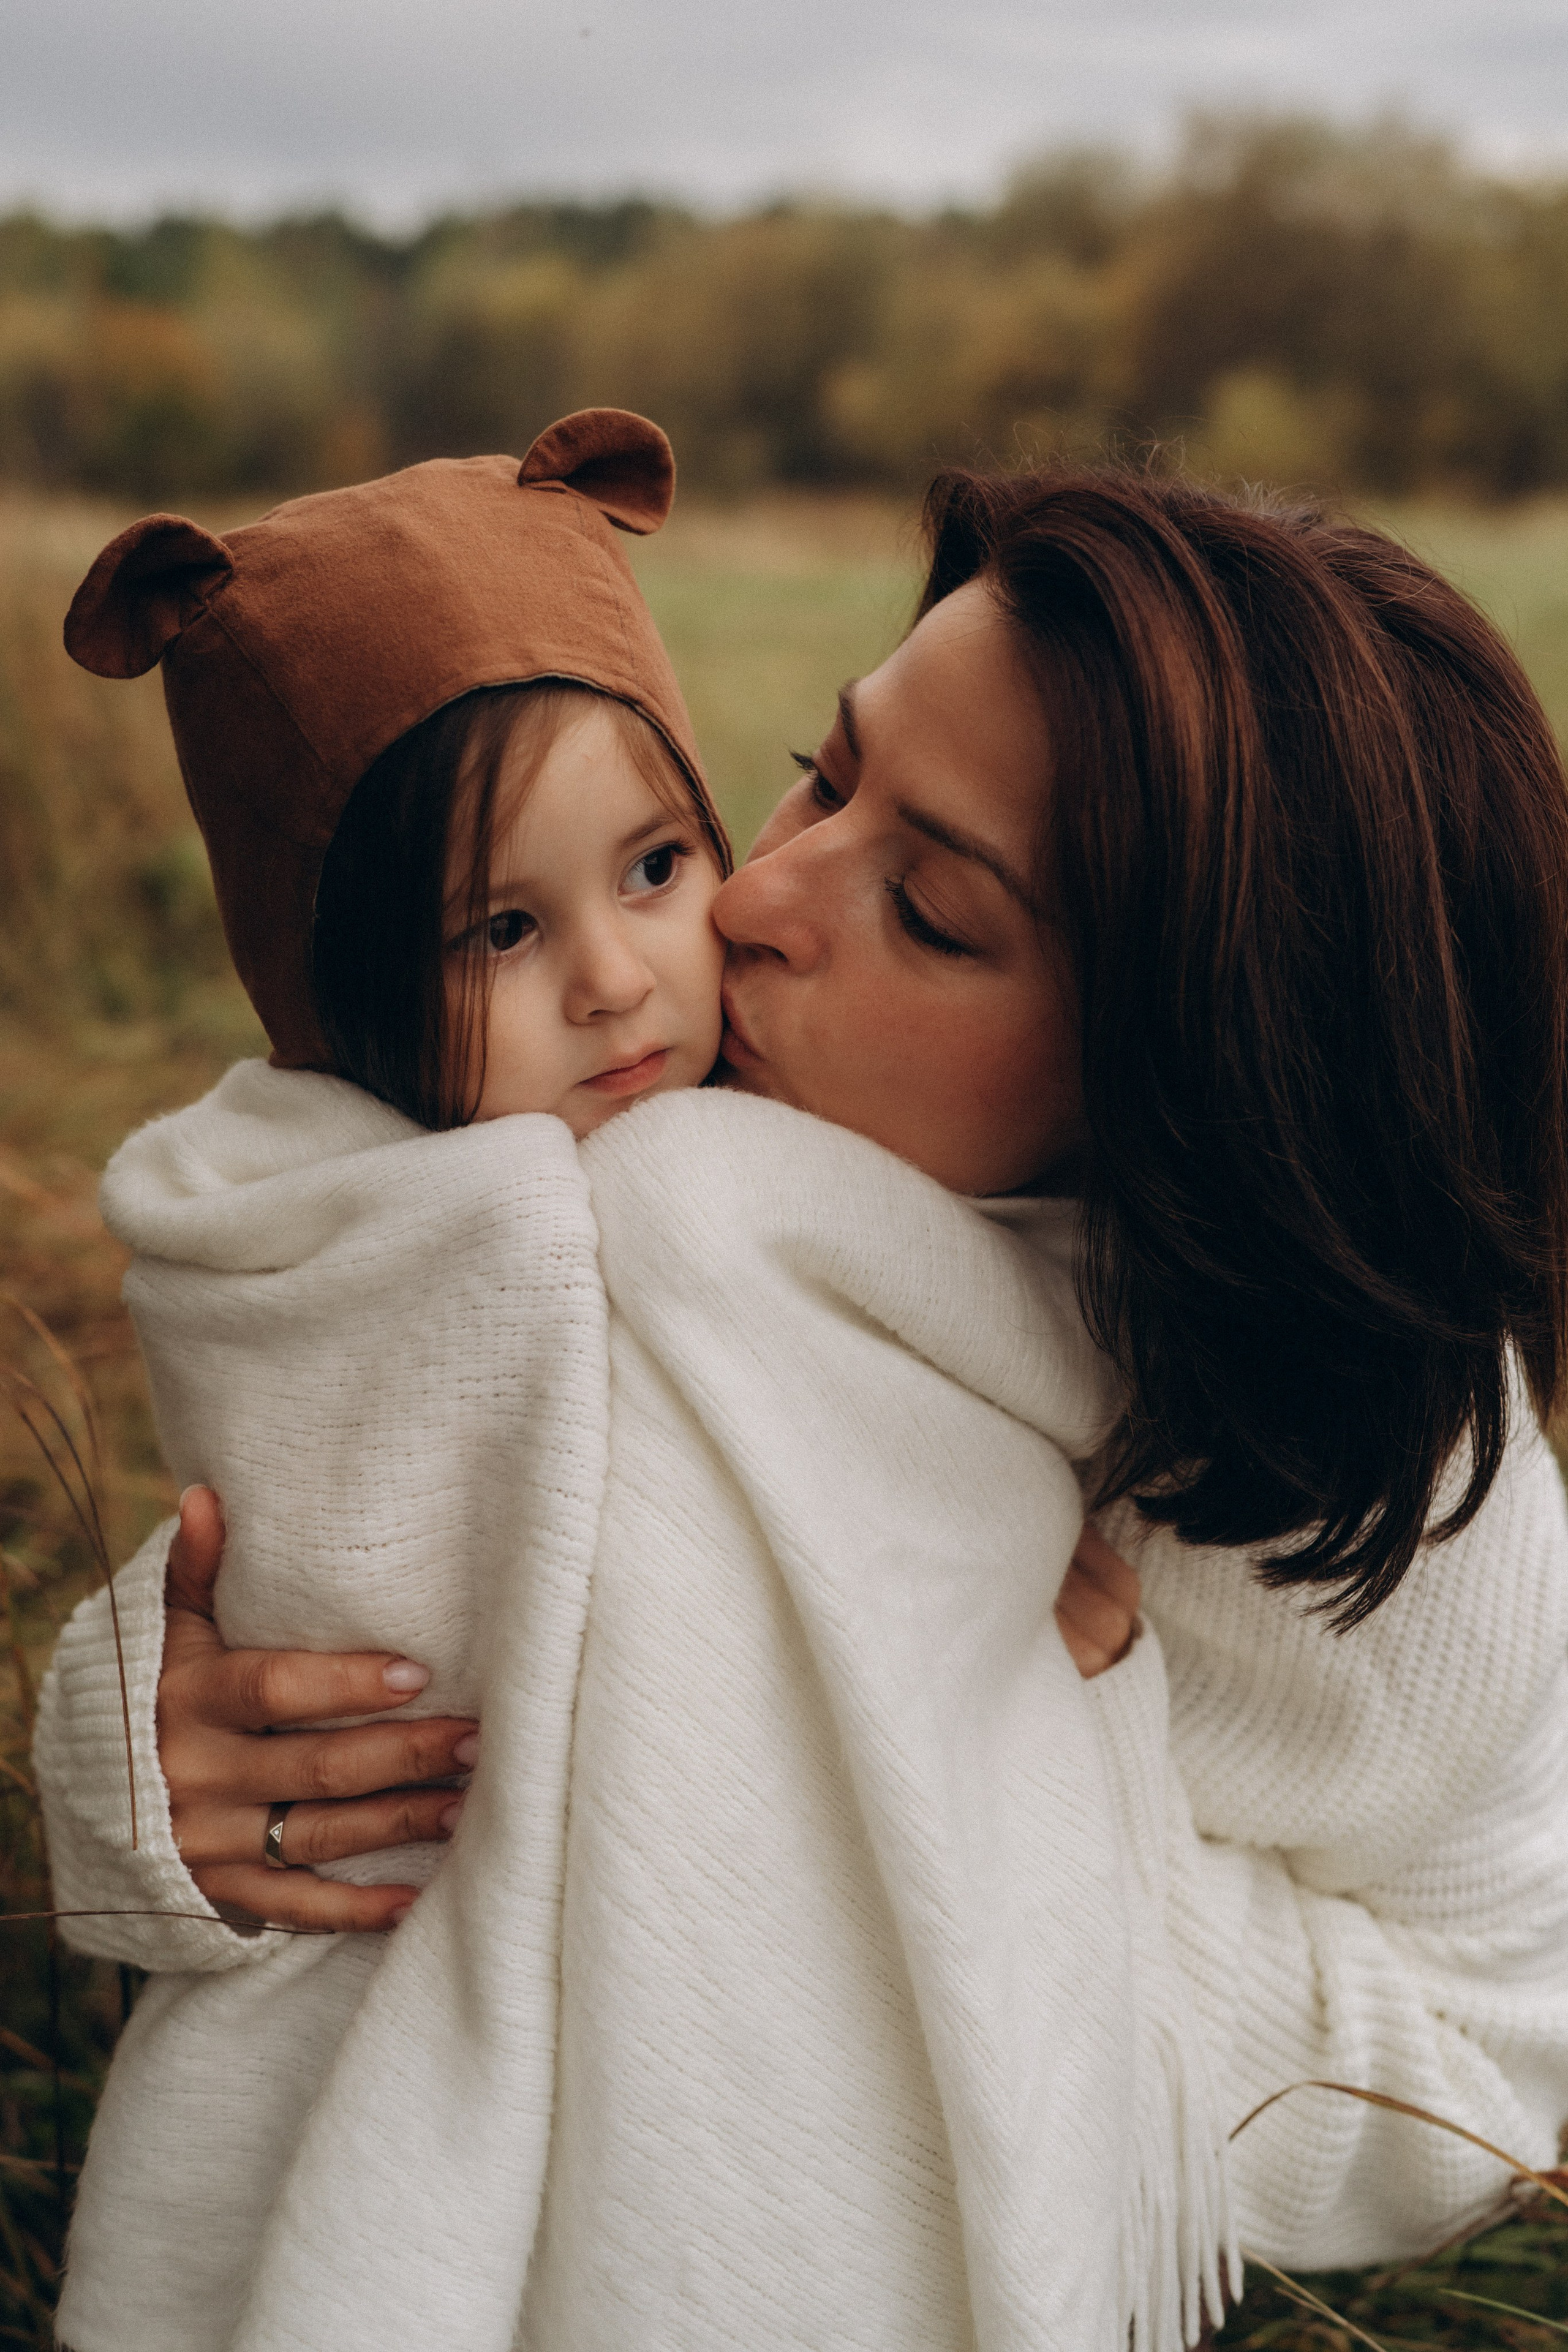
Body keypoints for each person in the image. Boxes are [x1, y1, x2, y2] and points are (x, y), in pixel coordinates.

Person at [37, 461, 1568, 2348]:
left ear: (1192, 1077)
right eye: (819, 771)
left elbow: (1494, 2061)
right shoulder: (590, 1163)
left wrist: (1008, 1777)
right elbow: (386, 1502)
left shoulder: (1378, 1479)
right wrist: (150, 1766)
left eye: (926, 909)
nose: (749, 897)